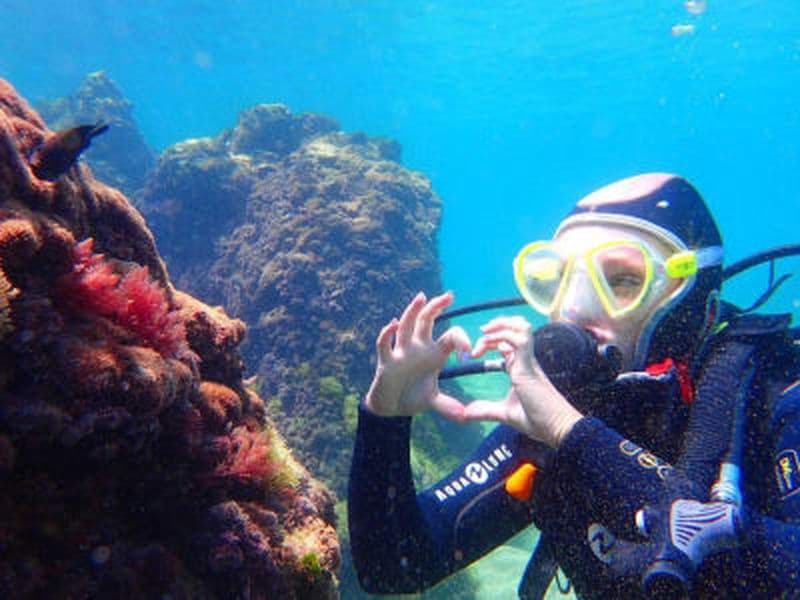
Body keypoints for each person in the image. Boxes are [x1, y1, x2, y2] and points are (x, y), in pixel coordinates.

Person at [348, 173, 800, 599]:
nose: (573, 309)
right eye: (558, 279)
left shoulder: (775, 396)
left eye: (623, 280)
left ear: (695, 301)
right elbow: (395, 565)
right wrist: (385, 418)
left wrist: (573, 434)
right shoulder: (559, 410)